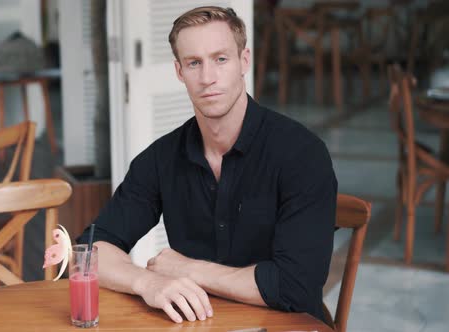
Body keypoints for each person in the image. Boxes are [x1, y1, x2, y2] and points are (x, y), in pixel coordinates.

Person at [77, 6, 337, 324]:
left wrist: (188, 270)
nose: (207, 78)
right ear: (179, 72)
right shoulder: (161, 158)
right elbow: (90, 251)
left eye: (220, 59)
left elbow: (295, 286)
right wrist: (147, 282)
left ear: (244, 61)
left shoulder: (302, 154)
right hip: (199, 323)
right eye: (194, 63)